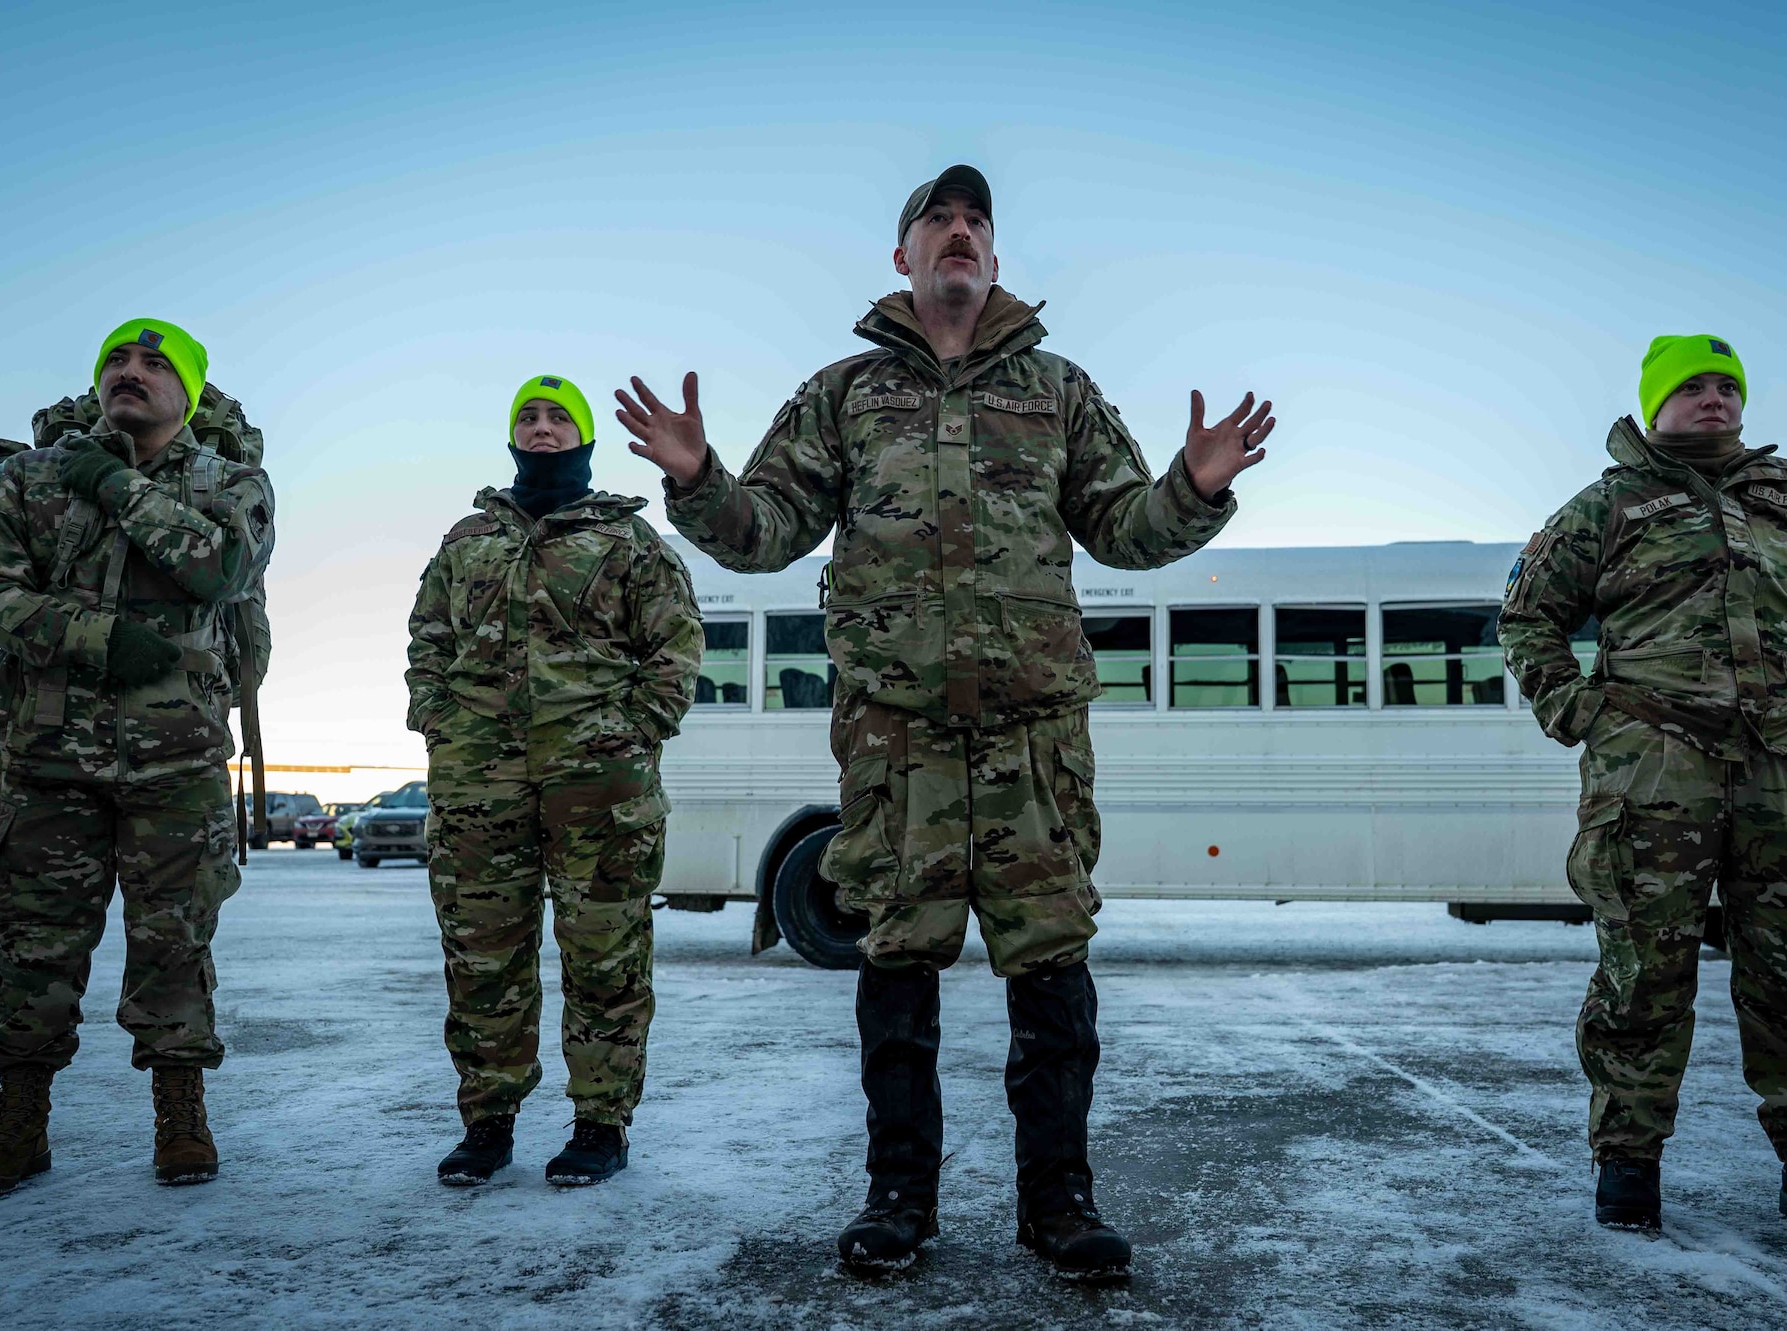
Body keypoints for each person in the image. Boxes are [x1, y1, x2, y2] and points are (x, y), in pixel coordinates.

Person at [616, 166, 1272, 1278]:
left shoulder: (1057, 390)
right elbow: (766, 528)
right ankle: (896, 1198)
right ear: (903, 258)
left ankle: (1059, 1204)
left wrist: (1192, 491)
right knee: (897, 963)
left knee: (1049, 967)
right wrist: (698, 478)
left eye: (975, 222)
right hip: (897, 737)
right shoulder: (845, 394)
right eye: (937, 220)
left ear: (995, 260)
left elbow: (1121, 529)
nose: (958, 233)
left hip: (1030, 736)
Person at [1499, 335, 1787, 1244]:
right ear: (1656, 404)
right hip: (1653, 776)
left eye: (1727, 385)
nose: (1714, 398)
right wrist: (1582, 711)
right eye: (1692, 386)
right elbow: (1529, 617)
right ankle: (1629, 1165)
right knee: (1643, 972)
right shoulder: (1609, 505)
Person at [0, 319, 275, 1197]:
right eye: (117, 361)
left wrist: (117, 485)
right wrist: (91, 635)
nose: (131, 372)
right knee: (35, 944)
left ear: (190, 392)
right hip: (47, 750)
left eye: (155, 363)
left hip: (180, 759)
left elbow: (223, 567)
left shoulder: (230, 480)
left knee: (175, 940)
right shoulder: (26, 477)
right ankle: (18, 1123)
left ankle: (181, 1114)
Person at [406, 374, 703, 1186]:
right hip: (478, 783)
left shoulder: (629, 541)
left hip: (598, 784)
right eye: (529, 417)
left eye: (558, 417)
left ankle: (600, 1125)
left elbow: (675, 650)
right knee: (482, 955)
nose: (542, 427)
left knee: (605, 955)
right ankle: (488, 1121)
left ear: (584, 439)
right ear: (512, 436)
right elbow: (427, 640)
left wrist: (629, 734)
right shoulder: (468, 539)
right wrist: (442, 725)